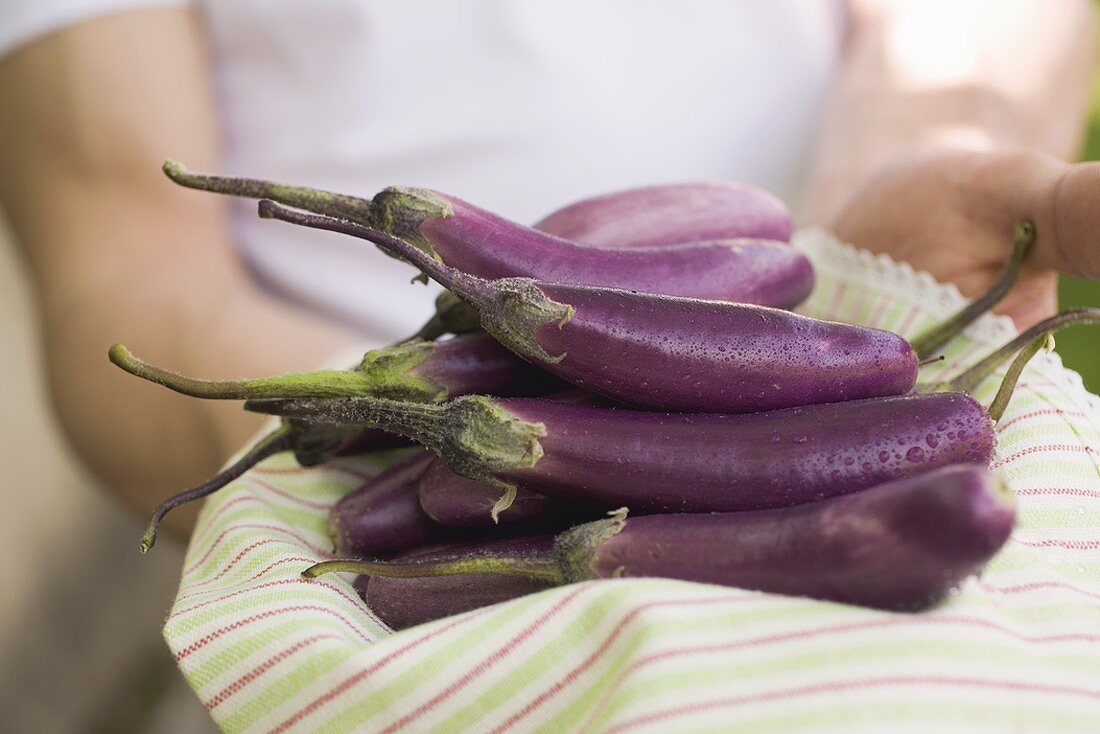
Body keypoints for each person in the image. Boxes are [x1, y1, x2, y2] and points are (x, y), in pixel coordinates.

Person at [0, 0, 1096, 542]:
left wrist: (922, 145)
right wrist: (388, 434)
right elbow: (126, 258)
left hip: (815, 308)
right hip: (384, 498)